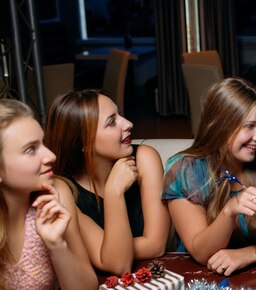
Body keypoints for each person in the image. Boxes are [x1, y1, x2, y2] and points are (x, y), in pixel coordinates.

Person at [0, 99, 115, 290]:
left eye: (42, 143)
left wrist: (56, 245)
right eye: (31, 150)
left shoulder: (56, 194)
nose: (50, 155)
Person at [162, 78, 256, 275]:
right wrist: (229, 212)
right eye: (250, 126)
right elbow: (201, 252)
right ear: (220, 126)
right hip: (205, 284)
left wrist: (252, 253)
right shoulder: (186, 170)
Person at [44, 90, 170, 275]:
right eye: (111, 122)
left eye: (119, 115)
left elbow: (156, 245)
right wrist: (114, 192)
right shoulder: (65, 191)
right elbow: (118, 265)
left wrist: (107, 251)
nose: (128, 124)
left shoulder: (144, 158)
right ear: (84, 142)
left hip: (153, 279)